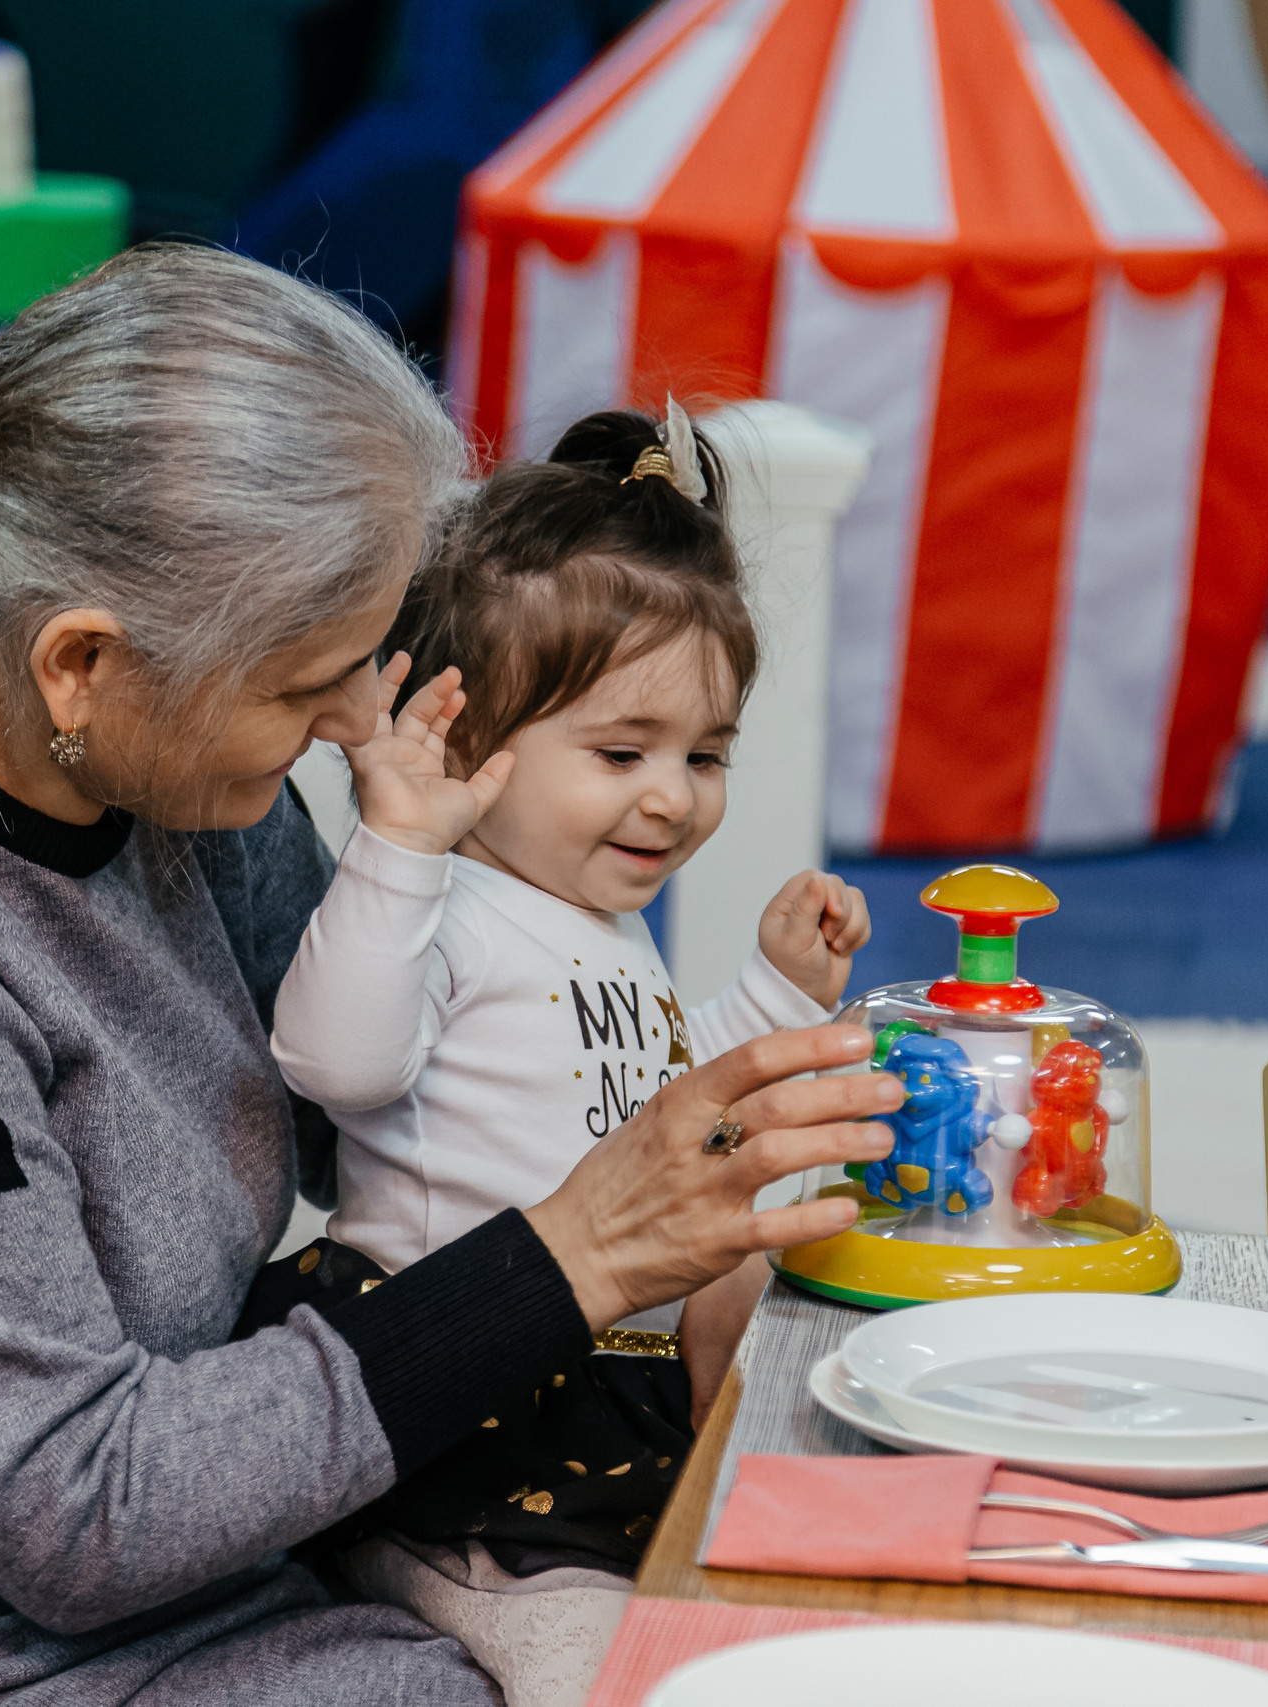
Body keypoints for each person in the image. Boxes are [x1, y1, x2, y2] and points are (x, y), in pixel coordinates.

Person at [0, 243, 901, 1706]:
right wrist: (585, 1249)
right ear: (81, 661)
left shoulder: (147, 751)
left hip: (218, 1571)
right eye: (312, 685)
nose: (362, 721)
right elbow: (75, 1504)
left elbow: (367, 1094)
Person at [260, 402, 869, 1700]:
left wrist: (773, 989)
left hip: (607, 1373)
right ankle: (412, 1564)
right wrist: (398, 845)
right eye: (621, 751)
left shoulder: (602, 924)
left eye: (706, 754)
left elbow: (658, 1099)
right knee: (594, 1656)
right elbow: (337, 1060)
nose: (673, 793)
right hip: (469, 1390)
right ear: (469, 738)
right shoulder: (448, 901)